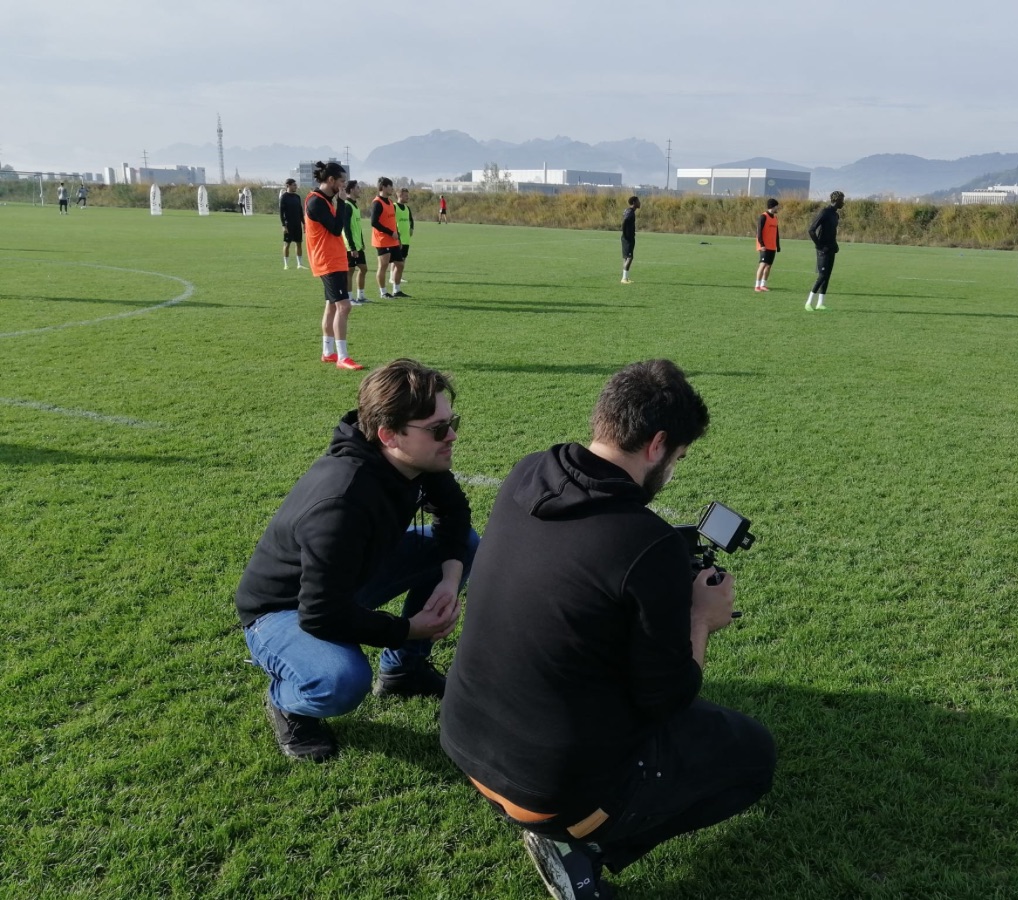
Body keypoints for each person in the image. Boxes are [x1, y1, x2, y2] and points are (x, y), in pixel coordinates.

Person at [441, 360, 776, 900]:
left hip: (461, 739)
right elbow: (667, 697)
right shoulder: (648, 543)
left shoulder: (528, 472)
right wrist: (701, 617)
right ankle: (586, 848)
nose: (673, 470)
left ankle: (574, 833)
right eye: (679, 458)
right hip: (549, 792)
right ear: (657, 444)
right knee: (753, 754)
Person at [235, 358, 479, 762]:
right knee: (340, 681)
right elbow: (321, 614)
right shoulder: (341, 502)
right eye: (438, 429)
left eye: (452, 422)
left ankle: (404, 672)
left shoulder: (417, 459)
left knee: (463, 544)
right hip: (284, 608)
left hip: (348, 579)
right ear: (388, 434)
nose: (451, 435)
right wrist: (408, 629)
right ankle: (289, 702)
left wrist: (449, 582)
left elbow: (454, 514)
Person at [304, 161, 361, 370]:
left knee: (331, 306)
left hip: (333, 259)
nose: (344, 186)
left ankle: (328, 352)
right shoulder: (316, 202)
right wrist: (343, 202)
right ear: (330, 181)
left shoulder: (324, 200)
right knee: (344, 306)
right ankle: (342, 357)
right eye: (342, 181)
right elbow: (337, 229)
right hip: (327, 261)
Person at [806, 190, 845, 311]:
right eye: (842, 200)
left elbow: (831, 232)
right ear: (836, 200)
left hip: (831, 248)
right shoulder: (825, 212)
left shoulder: (835, 215)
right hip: (823, 250)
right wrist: (819, 245)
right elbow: (811, 230)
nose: (843, 202)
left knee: (827, 276)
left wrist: (835, 245)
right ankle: (808, 302)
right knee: (822, 276)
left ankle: (820, 303)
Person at [370, 177, 401, 299]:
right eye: (390, 186)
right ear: (383, 187)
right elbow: (374, 222)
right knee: (383, 267)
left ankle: (397, 290)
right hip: (382, 240)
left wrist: (398, 238)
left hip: (393, 240)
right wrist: (389, 232)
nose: (392, 189)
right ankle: (383, 292)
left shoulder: (390, 202)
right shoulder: (377, 203)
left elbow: (392, 221)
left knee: (400, 264)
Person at [341, 180, 369, 305]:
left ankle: (361, 296)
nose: (360, 190)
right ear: (351, 189)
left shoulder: (355, 205)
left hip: (358, 245)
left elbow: (357, 227)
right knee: (350, 271)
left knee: (363, 268)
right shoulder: (347, 205)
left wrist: (361, 242)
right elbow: (346, 228)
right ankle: (349, 298)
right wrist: (352, 247)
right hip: (350, 246)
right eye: (358, 188)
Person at [389, 187, 414, 298]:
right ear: (399, 195)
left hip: (406, 239)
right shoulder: (394, 207)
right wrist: (397, 236)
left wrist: (412, 228)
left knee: (402, 261)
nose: (407, 197)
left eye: (407, 195)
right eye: (405, 195)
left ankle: (396, 281)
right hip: (397, 240)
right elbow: (391, 222)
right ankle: (393, 280)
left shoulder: (407, 208)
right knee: (396, 262)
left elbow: (411, 219)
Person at [754, 199, 780, 292]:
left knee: (768, 266)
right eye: (777, 206)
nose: (778, 208)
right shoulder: (763, 217)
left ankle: (763, 285)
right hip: (764, 246)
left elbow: (776, 233)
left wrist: (778, 245)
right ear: (773, 206)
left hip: (772, 246)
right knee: (762, 265)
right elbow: (759, 232)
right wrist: (762, 244)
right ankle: (757, 286)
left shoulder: (775, 218)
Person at [280, 178, 306, 270]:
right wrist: (283, 225)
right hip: (288, 225)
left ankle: (299, 264)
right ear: (288, 186)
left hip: (297, 224)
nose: (296, 187)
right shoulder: (284, 197)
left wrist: (304, 223)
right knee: (287, 244)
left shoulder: (297, 197)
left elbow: (300, 211)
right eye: (294, 185)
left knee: (299, 243)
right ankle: (286, 264)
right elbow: (281, 212)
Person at [620, 196, 639, 284]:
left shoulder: (628, 211)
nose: (640, 203)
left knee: (626, 257)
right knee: (630, 257)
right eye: (638, 201)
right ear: (634, 202)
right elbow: (625, 221)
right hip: (628, 238)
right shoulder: (630, 212)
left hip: (627, 237)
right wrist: (625, 233)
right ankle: (624, 278)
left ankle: (625, 278)